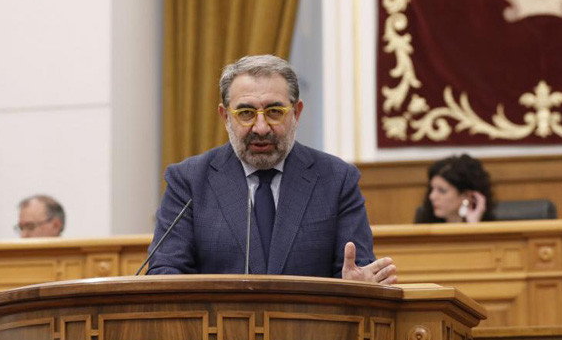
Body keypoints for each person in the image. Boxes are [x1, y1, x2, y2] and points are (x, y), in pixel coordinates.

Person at [147, 55, 397, 285]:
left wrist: (356, 286)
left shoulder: (337, 179)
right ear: (225, 117)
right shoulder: (189, 180)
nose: (261, 127)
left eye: (274, 112)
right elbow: (165, 271)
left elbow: (357, 270)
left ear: (296, 113)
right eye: (245, 113)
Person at [414, 154, 495, 223]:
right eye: (432, 189)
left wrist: (473, 224)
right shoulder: (423, 224)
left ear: (467, 195)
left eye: (442, 191)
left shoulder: (493, 227)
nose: (432, 196)